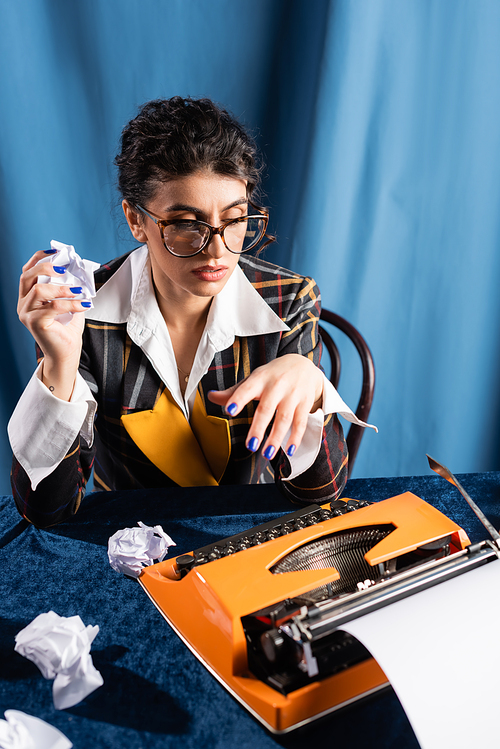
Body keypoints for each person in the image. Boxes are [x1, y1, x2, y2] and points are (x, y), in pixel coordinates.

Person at [9, 96, 368, 528]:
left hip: (244, 531)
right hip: (124, 539)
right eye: (185, 223)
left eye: (236, 219)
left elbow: (317, 495)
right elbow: (47, 512)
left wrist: (311, 394)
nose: (217, 250)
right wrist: (59, 365)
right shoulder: (81, 311)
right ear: (136, 220)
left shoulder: (288, 299)